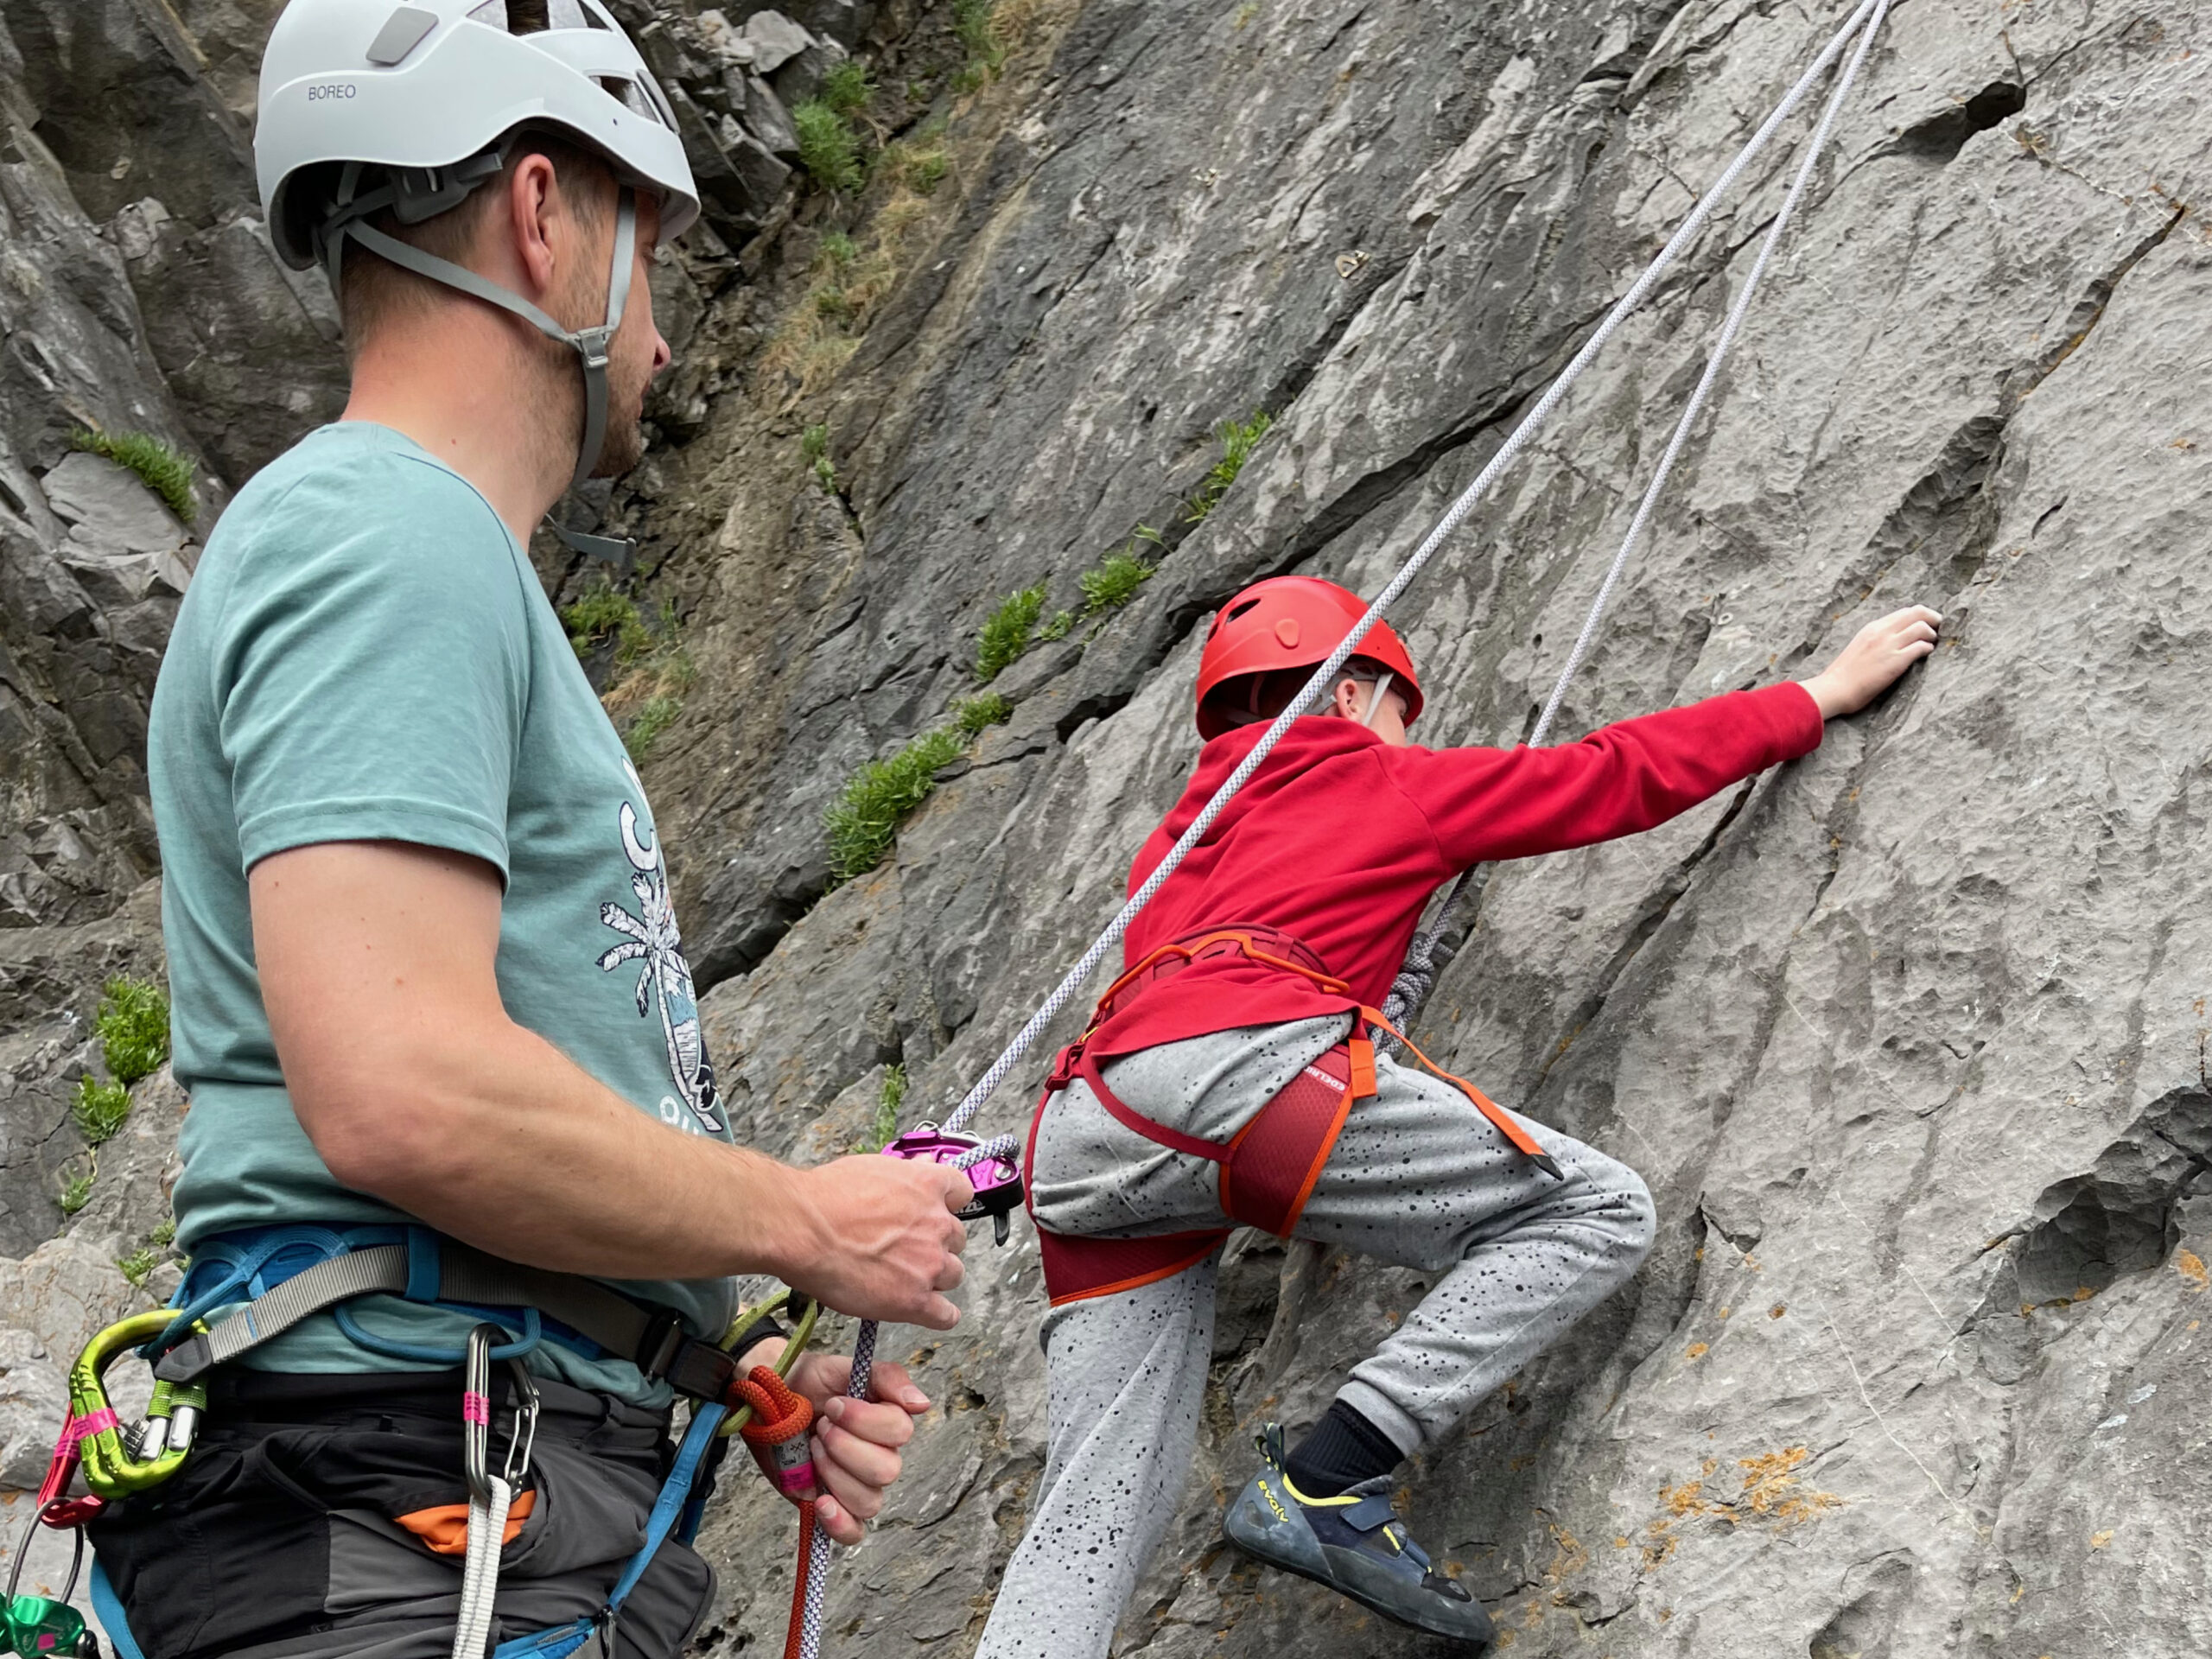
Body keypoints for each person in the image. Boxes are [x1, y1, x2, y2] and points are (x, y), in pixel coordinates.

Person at [91, 3, 975, 1655]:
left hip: (475, 1502)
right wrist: (802, 1221)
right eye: (651, 228)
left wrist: (704, 1360)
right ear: (544, 210)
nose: (667, 325)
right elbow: (404, 1090)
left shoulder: (424, 557)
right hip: (423, 1521)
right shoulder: (387, 527)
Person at [978, 575, 1942, 1653]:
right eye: (1399, 708)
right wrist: (1817, 694)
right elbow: (1612, 776)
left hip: (1083, 1135)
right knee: (1596, 1212)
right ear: (1349, 695)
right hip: (1233, 1090)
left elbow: (1235, 974)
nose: (1403, 732)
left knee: (1100, 1503)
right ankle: (1335, 1477)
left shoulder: (1170, 848)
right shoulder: (1379, 779)